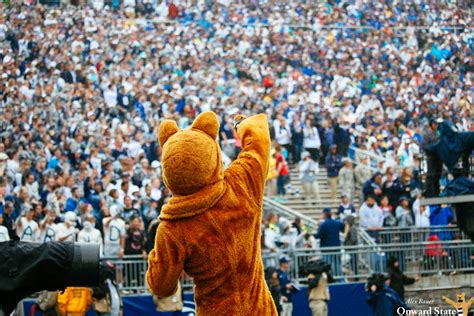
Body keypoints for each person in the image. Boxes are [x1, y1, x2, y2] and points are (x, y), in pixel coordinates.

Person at [146, 113, 277, 315]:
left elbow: (161, 285)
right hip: (258, 309)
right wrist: (243, 125)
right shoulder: (240, 183)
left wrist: (157, 254)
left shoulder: (172, 227)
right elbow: (258, 146)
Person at [314, 208, 346, 277]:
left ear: (325, 214)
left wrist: (314, 233)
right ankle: (339, 279)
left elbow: (317, 236)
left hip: (327, 249)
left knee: (327, 266)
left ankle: (330, 280)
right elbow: (344, 225)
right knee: (338, 266)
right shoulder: (336, 222)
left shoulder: (324, 224)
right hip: (336, 248)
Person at [422, 119, 442, 197]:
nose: (436, 125)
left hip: (439, 157)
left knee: (438, 175)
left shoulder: (438, 133)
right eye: (435, 124)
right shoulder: (427, 134)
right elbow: (424, 146)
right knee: (431, 175)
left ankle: (437, 192)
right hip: (431, 158)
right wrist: (432, 149)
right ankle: (429, 192)